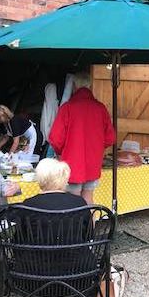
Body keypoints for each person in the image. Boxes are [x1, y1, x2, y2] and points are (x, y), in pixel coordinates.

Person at [49, 70, 115, 204]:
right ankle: (90, 226)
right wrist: (96, 147)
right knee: (88, 198)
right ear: (90, 86)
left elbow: (55, 139)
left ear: (74, 86)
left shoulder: (67, 108)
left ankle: (76, 226)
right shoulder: (100, 108)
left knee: (73, 202)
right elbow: (110, 138)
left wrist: (60, 154)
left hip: (71, 163)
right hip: (93, 162)